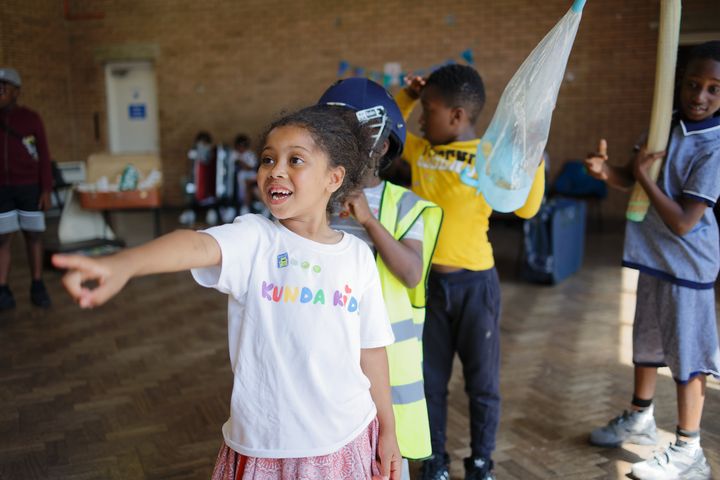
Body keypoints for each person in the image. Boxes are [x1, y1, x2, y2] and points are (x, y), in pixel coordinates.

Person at [54, 105, 402, 480]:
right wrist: (125, 264)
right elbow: (195, 245)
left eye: (295, 160)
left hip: (347, 438)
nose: (275, 170)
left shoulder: (357, 257)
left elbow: (371, 350)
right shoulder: (255, 238)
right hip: (267, 445)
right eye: (267, 159)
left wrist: (389, 428)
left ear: (333, 178)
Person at [396, 64, 546, 480]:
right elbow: (387, 129)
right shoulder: (421, 151)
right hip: (428, 287)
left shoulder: (489, 158)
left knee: (482, 385)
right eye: (422, 110)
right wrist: (408, 97)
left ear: (458, 116)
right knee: (429, 383)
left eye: (429, 110)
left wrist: (535, 161)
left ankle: (481, 463)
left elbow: (527, 209)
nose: (422, 118)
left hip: (476, 286)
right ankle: (434, 460)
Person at [585, 41, 720, 480]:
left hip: (687, 266)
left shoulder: (715, 147)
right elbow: (633, 177)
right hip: (653, 258)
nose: (700, 95)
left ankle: (689, 450)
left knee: (688, 357)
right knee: (647, 345)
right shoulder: (666, 124)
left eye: (714, 89)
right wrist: (608, 172)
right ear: (679, 84)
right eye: (693, 84)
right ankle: (641, 418)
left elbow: (683, 221)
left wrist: (643, 174)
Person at [320, 78, 443, 478]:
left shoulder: (407, 204)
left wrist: (368, 220)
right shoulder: (316, 199)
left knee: (385, 463)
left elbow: (410, 273)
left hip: (383, 363)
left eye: (351, 135)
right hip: (328, 350)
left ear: (384, 144)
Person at [0, 67, 52, 310]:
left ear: (16, 91)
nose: (0, 91)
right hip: (2, 190)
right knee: (3, 239)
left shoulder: (31, 119)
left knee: (33, 236)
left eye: (4, 87)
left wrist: (46, 189)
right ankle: (3, 288)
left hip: (29, 187)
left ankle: (37, 284)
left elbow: (44, 155)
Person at [230, 133, 259, 215]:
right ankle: (236, 206)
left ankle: (245, 206)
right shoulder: (233, 154)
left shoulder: (250, 154)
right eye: (239, 145)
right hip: (235, 180)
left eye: (243, 146)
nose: (241, 148)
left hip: (250, 177)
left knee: (247, 184)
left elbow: (252, 167)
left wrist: (242, 163)